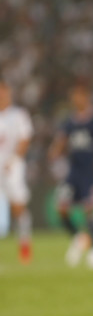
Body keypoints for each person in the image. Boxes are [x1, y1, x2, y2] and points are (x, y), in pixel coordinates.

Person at [48, 83, 93, 269]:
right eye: (74, 96)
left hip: (90, 173)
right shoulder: (69, 122)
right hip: (72, 173)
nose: (76, 99)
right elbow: (60, 141)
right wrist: (55, 152)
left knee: (90, 210)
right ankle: (79, 238)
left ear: (86, 97)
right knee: (61, 207)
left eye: (80, 96)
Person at [0, 81, 34, 264]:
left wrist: (13, 159)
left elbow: (25, 138)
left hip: (13, 166)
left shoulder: (19, 115)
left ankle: (25, 244)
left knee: (18, 207)